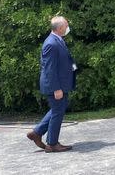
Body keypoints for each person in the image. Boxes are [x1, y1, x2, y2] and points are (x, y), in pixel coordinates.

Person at [27, 16, 77, 153]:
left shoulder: (57, 40)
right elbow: (49, 69)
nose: (67, 28)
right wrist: (56, 88)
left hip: (60, 84)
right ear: (60, 28)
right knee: (57, 112)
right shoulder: (51, 43)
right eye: (66, 25)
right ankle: (52, 144)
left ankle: (36, 132)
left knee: (58, 109)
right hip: (55, 85)